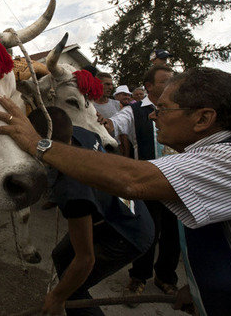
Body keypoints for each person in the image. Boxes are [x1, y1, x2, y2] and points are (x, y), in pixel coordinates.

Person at [0, 67, 231, 316]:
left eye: (163, 109)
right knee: (64, 256)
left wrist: (37, 144)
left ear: (203, 119)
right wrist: (202, 288)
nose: (152, 117)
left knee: (73, 278)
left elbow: (132, 179)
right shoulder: (221, 155)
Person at [32, 107, 154, 316]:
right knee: (61, 256)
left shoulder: (71, 189)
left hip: (128, 234)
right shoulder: (82, 133)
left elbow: (85, 259)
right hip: (121, 211)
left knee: (72, 292)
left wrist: (57, 297)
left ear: (41, 142)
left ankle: (73, 302)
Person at [101, 65, 180, 300]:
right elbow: (115, 125)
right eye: (165, 81)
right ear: (149, 87)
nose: (171, 84)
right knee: (148, 232)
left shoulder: (180, 108)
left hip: (178, 183)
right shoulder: (134, 111)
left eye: (173, 80)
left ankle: (166, 277)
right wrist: (105, 124)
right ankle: (139, 277)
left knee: (174, 234)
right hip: (148, 184)